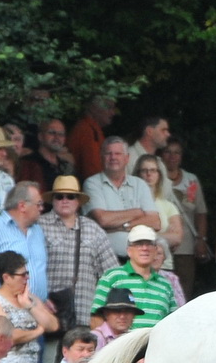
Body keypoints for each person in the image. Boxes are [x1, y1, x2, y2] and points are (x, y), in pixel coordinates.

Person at [36, 175, 118, 334]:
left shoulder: (93, 229)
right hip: (49, 313)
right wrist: (39, 299)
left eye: (70, 196)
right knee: (49, 358)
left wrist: (102, 311)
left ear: (78, 201)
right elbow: (28, 268)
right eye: (59, 196)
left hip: (84, 315)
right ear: (52, 200)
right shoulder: (39, 226)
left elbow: (111, 275)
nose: (65, 200)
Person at [0, 252, 59, 363]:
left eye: (27, 273)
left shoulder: (30, 299)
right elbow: (9, 336)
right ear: (6, 277)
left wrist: (29, 306)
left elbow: (53, 325)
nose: (27, 278)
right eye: (22, 275)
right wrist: (39, 330)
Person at [83, 137, 161, 260]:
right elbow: (103, 219)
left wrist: (122, 226)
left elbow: (155, 222)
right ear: (101, 158)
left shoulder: (140, 184)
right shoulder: (92, 183)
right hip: (104, 259)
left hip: (138, 261)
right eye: (108, 153)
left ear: (127, 158)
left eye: (118, 153)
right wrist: (137, 213)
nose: (113, 157)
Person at [89, 225, 176, 328]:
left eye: (149, 244)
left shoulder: (165, 284)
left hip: (156, 343)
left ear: (156, 250)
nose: (144, 248)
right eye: (139, 244)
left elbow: (173, 321)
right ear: (129, 250)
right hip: (122, 343)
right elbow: (96, 318)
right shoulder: (112, 277)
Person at [158, 138, 210, 298]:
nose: (172, 156)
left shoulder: (191, 180)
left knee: (184, 290)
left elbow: (200, 212)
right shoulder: (155, 178)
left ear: (181, 156)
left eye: (177, 152)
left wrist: (201, 240)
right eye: (168, 152)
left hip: (186, 246)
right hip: (161, 243)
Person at [134, 153, 187, 275]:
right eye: (144, 170)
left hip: (164, 266)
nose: (149, 174)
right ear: (137, 174)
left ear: (159, 175)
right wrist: (163, 236)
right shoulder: (130, 204)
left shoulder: (168, 206)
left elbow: (177, 237)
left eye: (153, 170)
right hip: (137, 265)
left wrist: (142, 237)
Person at [18, 118, 74, 193]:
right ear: (40, 136)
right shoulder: (28, 163)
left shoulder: (66, 166)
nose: (57, 137)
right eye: (51, 133)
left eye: (61, 134)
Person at [68, 95, 117, 179]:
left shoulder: (93, 129)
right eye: (109, 107)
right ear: (93, 108)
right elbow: (93, 170)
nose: (113, 113)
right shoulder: (86, 130)